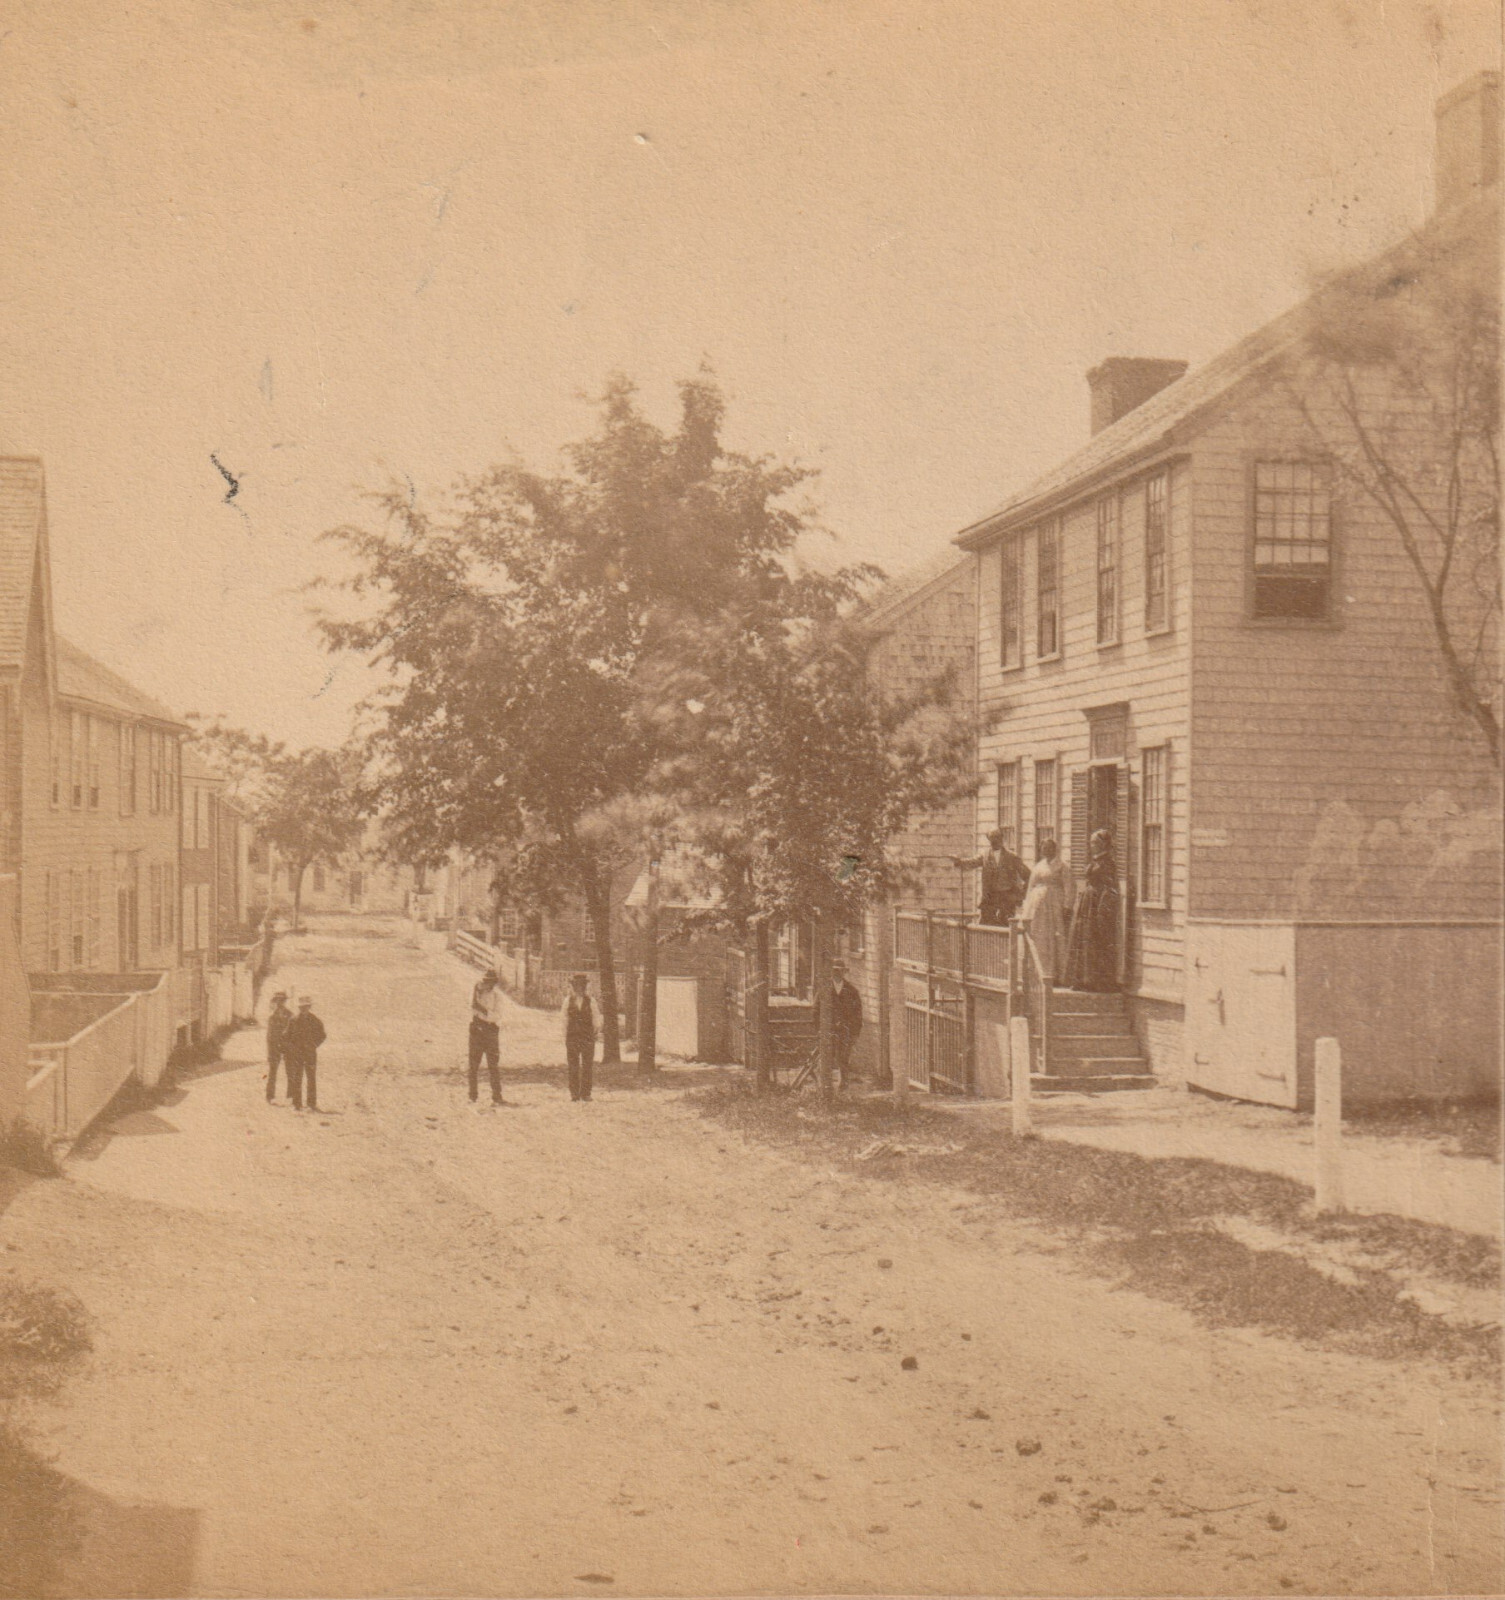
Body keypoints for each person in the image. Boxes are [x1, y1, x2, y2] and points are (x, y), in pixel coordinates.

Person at [1064, 829, 1121, 992]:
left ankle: (1097, 981)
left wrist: (1103, 909)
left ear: (1103, 844)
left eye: (1094, 842)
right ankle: (1082, 978)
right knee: (1083, 937)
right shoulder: (1096, 861)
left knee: (1095, 940)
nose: (1091, 846)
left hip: (1097, 904)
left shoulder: (1108, 863)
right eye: (1091, 843)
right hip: (1087, 903)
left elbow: (1110, 887)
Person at [1019, 838, 1072, 984]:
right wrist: (1027, 907)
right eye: (1043, 848)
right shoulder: (1038, 866)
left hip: (1054, 907)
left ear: (1054, 849)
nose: (1045, 851)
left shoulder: (1062, 866)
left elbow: (1068, 888)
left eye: (1048, 848)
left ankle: (1055, 973)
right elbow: (1030, 887)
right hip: (1038, 909)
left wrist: (1067, 906)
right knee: (1040, 937)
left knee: (1054, 937)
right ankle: (1039, 971)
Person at [951, 829, 1030, 927]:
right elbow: (971, 862)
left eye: (997, 838)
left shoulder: (1011, 857)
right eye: (991, 839)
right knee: (986, 925)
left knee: (1006, 926)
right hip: (990, 897)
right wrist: (959, 861)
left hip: (1007, 897)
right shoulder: (985, 856)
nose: (994, 841)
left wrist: (1021, 894)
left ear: (1002, 838)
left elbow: (1028, 875)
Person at [814, 961, 864, 1089]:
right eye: (835, 970)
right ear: (831, 972)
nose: (837, 973)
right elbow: (816, 1010)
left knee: (843, 1057)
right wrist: (818, 1029)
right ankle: (825, 1085)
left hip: (845, 1030)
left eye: (840, 971)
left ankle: (843, 1084)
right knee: (826, 1057)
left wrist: (855, 1033)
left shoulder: (852, 991)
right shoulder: (824, 989)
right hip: (828, 1029)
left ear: (844, 972)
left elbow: (857, 1013)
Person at [468, 970, 505, 1106]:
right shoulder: (476, 994)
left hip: (490, 1030)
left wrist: (482, 1010)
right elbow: (471, 1008)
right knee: (473, 1064)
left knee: (493, 1064)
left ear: (493, 983)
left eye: (489, 981)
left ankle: (497, 1095)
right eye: (484, 981)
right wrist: (475, 995)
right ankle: (472, 1095)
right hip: (476, 1030)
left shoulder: (497, 996)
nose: (485, 984)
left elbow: (496, 1016)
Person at [284, 997, 327, 1112]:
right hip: (297, 1054)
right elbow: (286, 1035)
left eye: (306, 1006)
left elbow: (322, 1035)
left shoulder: (315, 1020)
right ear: (299, 1008)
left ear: (309, 1007)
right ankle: (297, 1104)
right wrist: (292, 1047)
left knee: (311, 1078)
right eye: (301, 1007)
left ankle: (311, 1104)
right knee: (297, 1078)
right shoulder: (293, 1020)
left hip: (310, 1053)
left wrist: (314, 1045)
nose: (303, 1009)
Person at [562, 973, 596, 1102]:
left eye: (582, 986)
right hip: (572, 1037)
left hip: (587, 1037)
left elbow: (596, 1018)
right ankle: (574, 1093)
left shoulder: (591, 1001)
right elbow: (564, 1018)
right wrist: (565, 1035)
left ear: (585, 987)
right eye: (577, 986)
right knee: (573, 1065)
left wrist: (594, 1031)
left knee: (587, 1065)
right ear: (573, 987)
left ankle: (586, 1093)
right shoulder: (567, 1001)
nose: (579, 988)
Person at [265, 991, 292, 1103]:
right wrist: (269, 1051)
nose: (280, 1002)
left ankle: (291, 1096)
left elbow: (292, 1032)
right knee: (272, 1072)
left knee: (290, 1071)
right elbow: (269, 1035)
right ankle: (270, 1096)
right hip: (274, 1046)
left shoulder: (290, 1015)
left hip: (287, 1046)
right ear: (275, 1001)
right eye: (278, 1000)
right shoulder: (272, 1016)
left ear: (285, 1001)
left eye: (282, 1000)